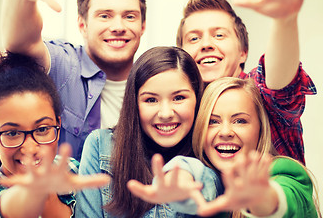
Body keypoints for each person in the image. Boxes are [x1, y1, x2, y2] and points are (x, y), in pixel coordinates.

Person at [128, 77, 320, 218]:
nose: (226, 131)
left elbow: (284, 198)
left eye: (240, 121)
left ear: (261, 128)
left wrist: (262, 199)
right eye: (213, 121)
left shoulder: (287, 173)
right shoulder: (211, 182)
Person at [1, 0, 146, 160]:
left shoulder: (153, 81)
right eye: (104, 16)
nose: (118, 27)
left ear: (142, 26)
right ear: (82, 26)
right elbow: (22, 42)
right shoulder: (65, 65)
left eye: (129, 16)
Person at [175, 0, 316, 164]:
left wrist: (285, 20)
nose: (206, 44)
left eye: (219, 35)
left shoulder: (258, 92)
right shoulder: (182, 107)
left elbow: (279, 85)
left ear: (243, 52)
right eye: (194, 38)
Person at [75, 46, 224, 217]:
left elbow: (208, 182)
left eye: (179, 98)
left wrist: (185, 176)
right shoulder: (101, 145)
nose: (166, 113)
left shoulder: (211, 153)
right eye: (151, 100)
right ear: (134, 103)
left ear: (197, 99)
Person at [0, 51, 110, 217]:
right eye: (12, 133)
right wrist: (29, 196)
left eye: (42, 129)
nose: (30, 148)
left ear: (58, 125)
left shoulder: (74, 170)